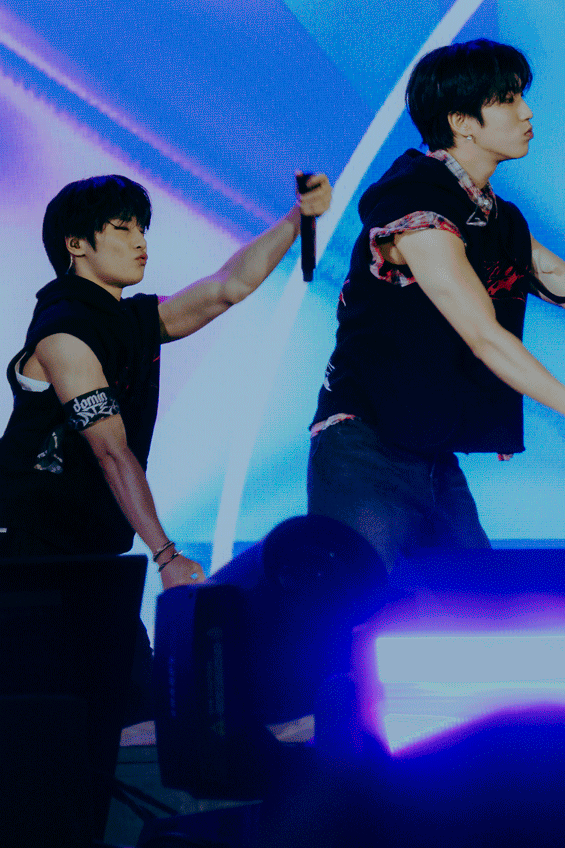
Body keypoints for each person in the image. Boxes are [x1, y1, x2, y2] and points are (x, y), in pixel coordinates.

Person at [308, 38, 565, 569]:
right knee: (361, 604)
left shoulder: (495, 217)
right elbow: (483, 335)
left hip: (428, 448)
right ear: (462, 122)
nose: (527, 112)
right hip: (364, 446)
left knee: (474, 599)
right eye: (508, 100)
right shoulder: (416, 204)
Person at [0, 172, 331, 715]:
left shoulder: (131, 319)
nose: (140, 242)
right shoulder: (63, 334)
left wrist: (298, 219)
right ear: (75, 244)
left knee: (130, 706)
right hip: (26, 557)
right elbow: (112, 452)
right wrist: (166, 555)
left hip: (89, 557)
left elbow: (227, 287)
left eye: (142, 229)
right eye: (123, 228)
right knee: (44, 713)